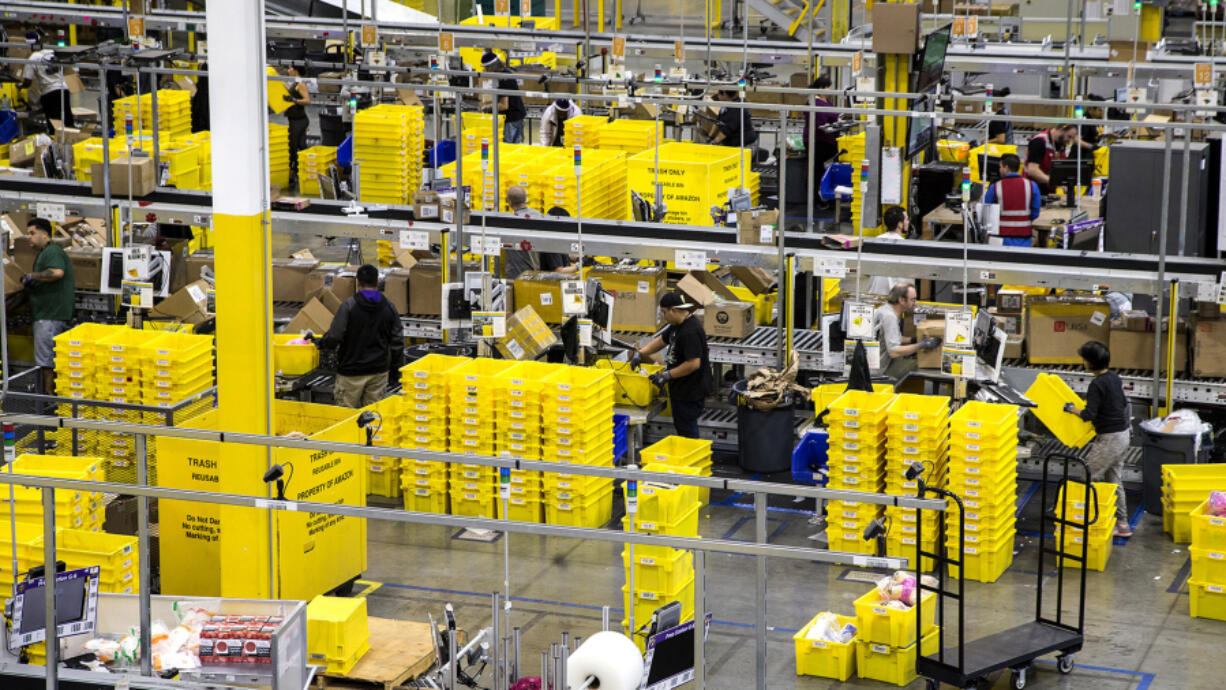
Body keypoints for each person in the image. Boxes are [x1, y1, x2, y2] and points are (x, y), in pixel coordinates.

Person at [1063, 340, 1133, 538]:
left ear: (1090, 362)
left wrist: (1071, 409)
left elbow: (1088, 414)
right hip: (1123, 435)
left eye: (1084, 359)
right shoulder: (1113, 377)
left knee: (1088, 476)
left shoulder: (1096, 384)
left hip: (1109, 439)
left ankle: (1086, 522)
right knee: (1114, 481)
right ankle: (1123, 524)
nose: (1083, 362)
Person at [310, 264, 404, 408]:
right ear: (378, 282)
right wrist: (395, 371)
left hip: (351, 373)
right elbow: (397, 341)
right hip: (378, 373)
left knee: (346, 418)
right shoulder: (389, 307)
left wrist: (321, 343)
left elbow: (335, 336)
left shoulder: (349, 306)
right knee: (373, 418)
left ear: (357, 282)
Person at [633, 292, 712, 438]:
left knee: (687, 429)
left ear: (673, 310)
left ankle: (691, 458)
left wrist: (667, 375)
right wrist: (640, 353)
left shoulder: (690, 331)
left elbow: (694, 363)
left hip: (690, 391)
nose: (664, 317)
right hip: (681, 389)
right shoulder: (678, 324)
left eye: (664, 312)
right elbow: (661, 340)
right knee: (683, 426)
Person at [22, 218, 75, 395]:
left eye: (32, 233)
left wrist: (33, 276)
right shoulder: (45, 252)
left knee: (47, 361)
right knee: (48, 359)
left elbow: (57, 272)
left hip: (50, 316)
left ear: (45, 234)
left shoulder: (52, 251)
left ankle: (48, 399)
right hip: (48, 314)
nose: (28, 237)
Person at [872, 282, 940, 379]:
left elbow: (892, 337)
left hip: (874, 364)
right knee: (917, 363)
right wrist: (922, 345)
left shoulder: (883, 310)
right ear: (902, 300)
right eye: (913, 300)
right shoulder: (889, 317)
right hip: (878, 371)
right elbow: (894, 351)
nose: (916, 303)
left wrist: (913, 340)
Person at [982, 153, 1041, 247]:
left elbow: (986, 212)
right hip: (1024, 238)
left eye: (1000, 167)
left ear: (1006, 168)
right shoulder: (1031, 186)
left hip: (1001, 238)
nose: (999, 170)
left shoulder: (995, 187)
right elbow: (1035, 212)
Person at [21, 41, 74, 133]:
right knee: (67, 119)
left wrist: (20, 87)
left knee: (54, 124)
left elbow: (27, 81)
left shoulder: (33, 57)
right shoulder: (52, 52)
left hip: (50, 93)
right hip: (64, 90)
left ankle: (56, 144)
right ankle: (72, 140)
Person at [481, 50, 526, 144]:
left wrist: (488, 109)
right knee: (514, 148)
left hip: (511, 119)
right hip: (518, 115)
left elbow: (504, 105)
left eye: (486, 68)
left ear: (491, 67)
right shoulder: (506, 73)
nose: (486, 71)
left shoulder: (503, 79)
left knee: (507, 147)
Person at [803, 75, 840, 185]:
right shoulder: (814, 102)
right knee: (817, 171)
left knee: (823, 170)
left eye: (829, 86)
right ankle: (815, 199)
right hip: (817, 142)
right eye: (826, 87)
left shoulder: (826, 101)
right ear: (819, 88)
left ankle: (822, 197)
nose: (829, 89)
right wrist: (834, 122)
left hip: (827, 141)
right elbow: (821, 123)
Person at [865, 206, 907, 295]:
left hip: (873, 294)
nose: (908, 222)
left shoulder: (877, 240)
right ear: (900, 224)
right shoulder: (903, 244)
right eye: (906, 219)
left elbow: (866, 271)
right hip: (892, 297)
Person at [1024, 123, 1076, 194]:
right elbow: (1032, 170)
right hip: (1032, 189)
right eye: (1069, 136)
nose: (1069, 141)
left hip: (1048, 189)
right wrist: (1055, 181)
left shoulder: (1060, 145)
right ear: (1061, 130)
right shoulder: (1039, 142)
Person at [503, 186, 542, 279]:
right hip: (535, 273)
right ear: (525, 199)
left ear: (509, 202)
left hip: (515, 275)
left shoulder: (509, 222)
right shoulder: (538, 215)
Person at [282, 65, 311, 188]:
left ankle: (293, 176)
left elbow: (307, 100)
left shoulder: (300, 84)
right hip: (294, 120)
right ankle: (302, 173)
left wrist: (295, 100)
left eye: (290, 68)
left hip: (299, 121)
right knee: (301, 146)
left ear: (295, 70)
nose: (288, 70)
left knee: (293, 148)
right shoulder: (294, 83)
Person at [540, 207, 579, 274]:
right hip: (554, 283)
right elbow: (559, 271)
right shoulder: (552, 242)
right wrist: (578, 266)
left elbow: (561, 258)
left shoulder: (555, 238)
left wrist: (577, 258)